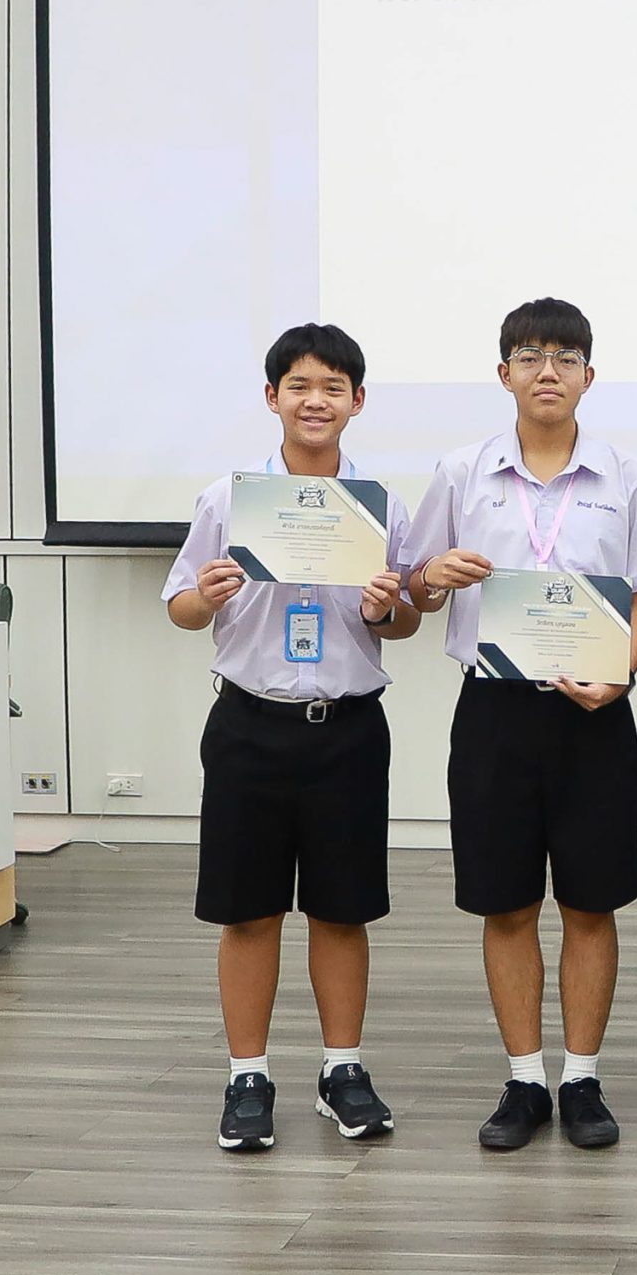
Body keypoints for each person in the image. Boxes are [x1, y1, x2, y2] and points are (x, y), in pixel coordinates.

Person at [405, 298, 637, 1152]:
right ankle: (523, 1079)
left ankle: (581, 1078)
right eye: (529, 355)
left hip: (594, 716)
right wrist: (430, 575)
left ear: (589, 374)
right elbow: (413, 585)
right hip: (495, 713)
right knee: (506, 903)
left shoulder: (626, 475)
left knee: (591, 902)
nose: (547, 370)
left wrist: (620, 674)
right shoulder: (460, 471)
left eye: (565, 357)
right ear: (504, 371)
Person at [162, 323, 420, 1152]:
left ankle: (342, 1069)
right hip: (251, 725)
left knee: (343, 911)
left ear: (357, 401)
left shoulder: (380, 505)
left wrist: (387, 608)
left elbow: (406, 620)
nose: (317, 401)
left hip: (347, 730)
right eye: (300, 386)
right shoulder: (228, 500)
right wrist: (206, 593)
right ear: (272, 396)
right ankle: (248, 1075)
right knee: (249, 912)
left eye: (334, 387)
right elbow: (181, 606)